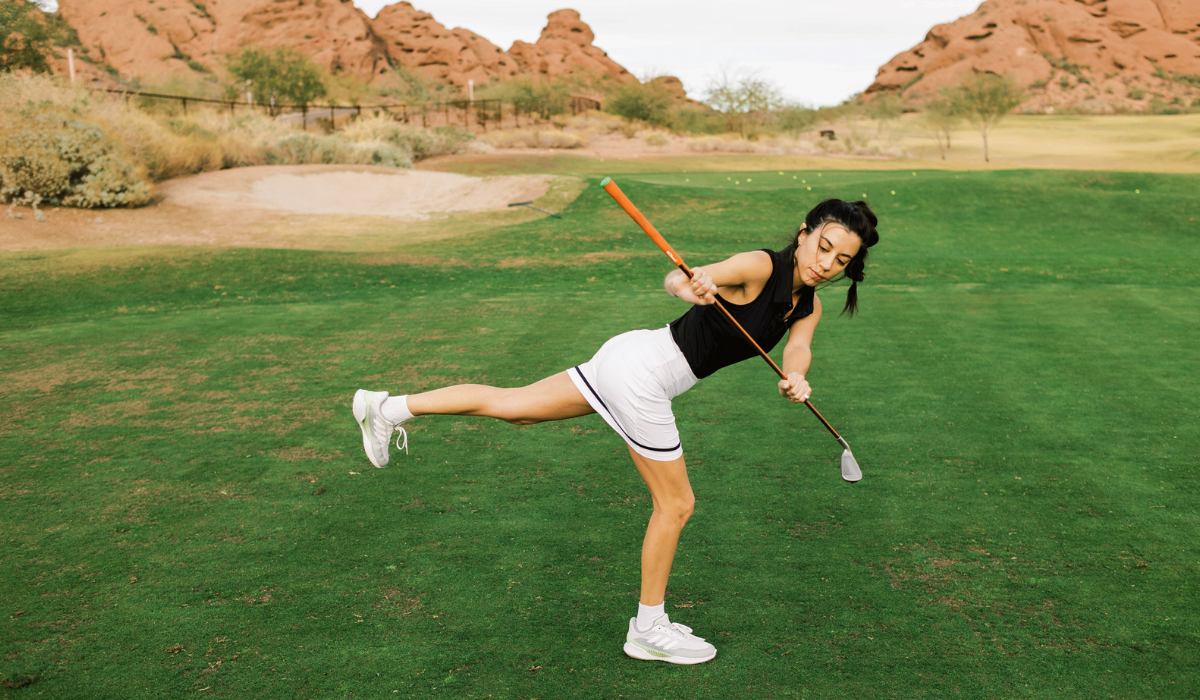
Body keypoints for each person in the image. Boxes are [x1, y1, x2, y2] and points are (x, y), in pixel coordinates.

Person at [353, 198, 879, 665]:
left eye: (841, 260)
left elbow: (799, 348)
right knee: (676, 505)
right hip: (643, 376)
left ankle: (387, 408)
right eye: (823, 247)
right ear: (805, 231)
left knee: (516, 407)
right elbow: (680, 278)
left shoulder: (808, 302)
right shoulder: (762, 265)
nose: (826, 264)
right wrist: (691, 286)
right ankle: (648, 628)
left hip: (629, 357)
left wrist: (798, 377)